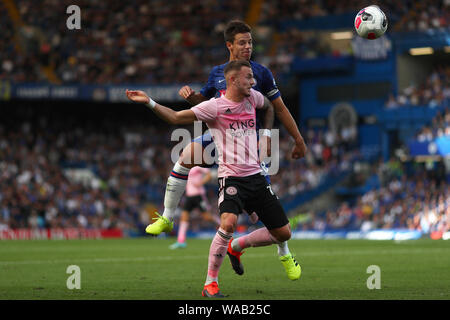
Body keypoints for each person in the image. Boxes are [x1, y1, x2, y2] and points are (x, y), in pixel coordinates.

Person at [126, 59, 305, 298]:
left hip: (257, 178)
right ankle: (210, 283)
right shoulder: (214, 107)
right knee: (228, 223)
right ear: (232, 80)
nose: (253, 82)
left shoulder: (253, 98)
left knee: (283, 233)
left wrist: (266, 135)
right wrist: (149, 101)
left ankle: (237, 246)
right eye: (248, 78)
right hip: (232, 179)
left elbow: (270, 107)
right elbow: (176, 118)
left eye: (253, 78)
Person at [169, 167, 219, 249]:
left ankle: (222, 226)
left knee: (207, 217)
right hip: (189, 196)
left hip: (198, 195)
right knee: (184, 216)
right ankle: (181, 241)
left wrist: (201, 182)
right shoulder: (186, 166)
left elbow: (209, 174)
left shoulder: (198, 165)